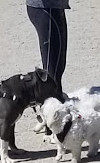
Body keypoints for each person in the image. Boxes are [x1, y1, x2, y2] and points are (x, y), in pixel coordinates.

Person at [26, 0, 70, 134]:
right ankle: (53, 128)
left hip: (54, 7)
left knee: (58, 68)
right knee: (52, 73)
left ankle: (52, 121)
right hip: (45, 8)